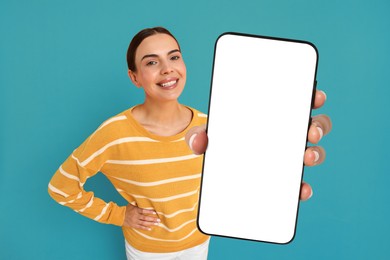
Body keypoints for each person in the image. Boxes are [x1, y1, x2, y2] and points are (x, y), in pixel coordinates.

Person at [48, 27, 332, 260]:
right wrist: (118, 215)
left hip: (200, 243)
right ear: (134, 77)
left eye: (174, 57)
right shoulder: (113, 134)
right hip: (149, 251)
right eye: (151, 62)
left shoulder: (212, 124)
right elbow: (61, 186)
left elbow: (237, 175)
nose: (167, 69)